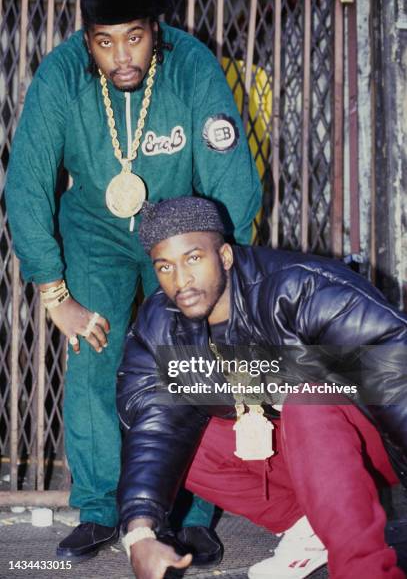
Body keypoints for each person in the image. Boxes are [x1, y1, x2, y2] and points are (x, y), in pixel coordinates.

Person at [5, 0, 261, 562]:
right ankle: (99, 508)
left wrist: (226, 272)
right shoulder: (62, 75)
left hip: (178, 229)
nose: (121, 56)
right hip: (94, 231)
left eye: (135, 38)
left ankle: (192, 513)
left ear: (157, 32)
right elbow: (27, 183)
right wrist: (53, 290)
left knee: (190, 360)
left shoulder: (192, 67)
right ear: (86, 37)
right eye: (104, 40)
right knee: (96, 358)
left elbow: (232, 178)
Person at [116, 196, 407, 579]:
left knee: (308, 400)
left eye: (193, 259)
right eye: (165, 267)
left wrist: (275, 375)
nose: (181, 281)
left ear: (224, 256)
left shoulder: (302, 289)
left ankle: (364, 569)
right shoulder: (161, 324)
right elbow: (152, 426)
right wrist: (140, 535)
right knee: (186, 440)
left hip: (363, 442)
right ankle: (309, 526)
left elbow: (395, 377)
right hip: (297, 453)